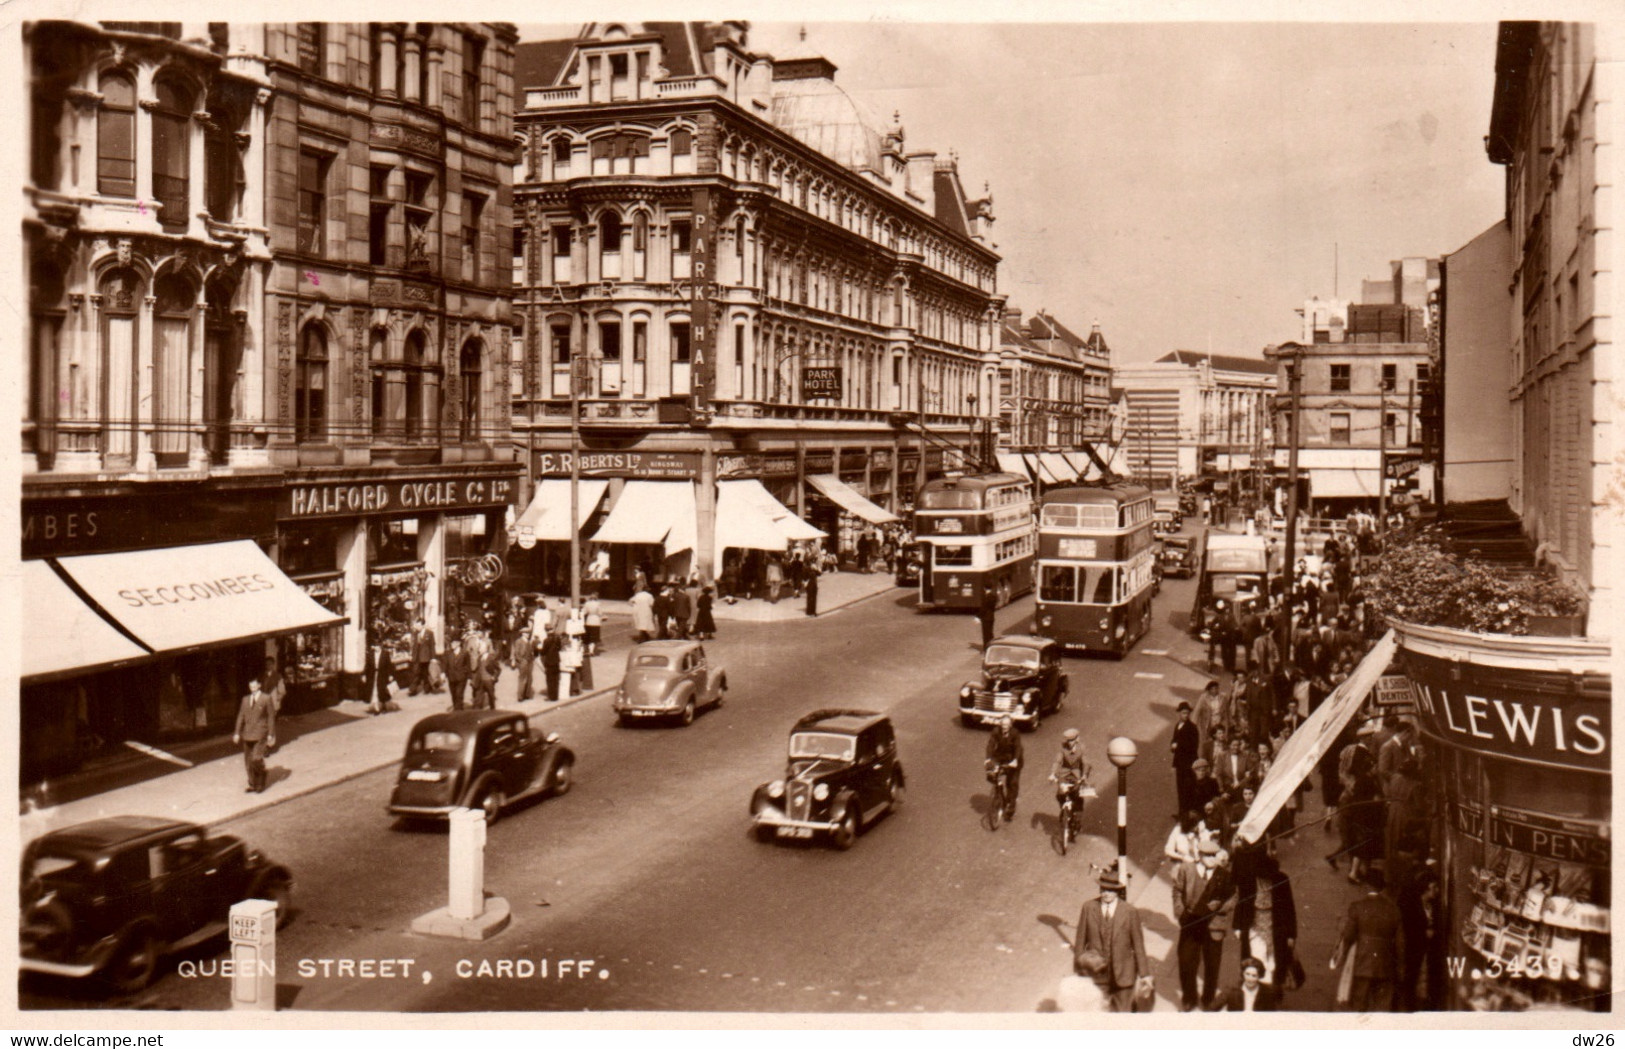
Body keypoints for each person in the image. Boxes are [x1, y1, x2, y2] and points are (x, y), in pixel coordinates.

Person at [1075, 870, 1153, 1012]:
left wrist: (1144, 974)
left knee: (1123, 1014)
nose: (1106, 893)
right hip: (1097, 974)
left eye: (1110, 890)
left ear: (1117, 891)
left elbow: (1138, 945)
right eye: (1103, 889)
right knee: (1098, 1014)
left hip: (1124, 974)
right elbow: (1080, 942)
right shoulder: (1088, 908)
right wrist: (1079, 970)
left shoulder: (1129, 911)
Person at [1173, 839, 1235, 1012]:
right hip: (1191, 922)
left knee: (1212, 965)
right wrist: (1179, 912)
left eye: (1214, 855)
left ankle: (1208, 998)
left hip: (1214, 926)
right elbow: (1177, 891)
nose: (1212, 859)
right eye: (1208, 855)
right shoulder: (1186, 870)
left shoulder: (1223, 874)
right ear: (1199, 855)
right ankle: (1189, 997)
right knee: (1186, 961)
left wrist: (1220, 906)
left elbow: (1233, 898)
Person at [1332, 869, 1402, 1013]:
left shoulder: (1357, 907)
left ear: (1366, 886)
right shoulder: (1393, 909)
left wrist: (1342, 955)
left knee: (1359, 1004)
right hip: (1385, 963)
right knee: (1383, 1006)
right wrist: (1400, 965)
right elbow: (1401, 942)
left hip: (1362, 963)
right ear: (1381, 887)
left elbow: (1348, 936)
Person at [1234, 849, 1298, 994]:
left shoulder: (1281, 880)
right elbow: (1241, 903)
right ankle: (1260, 992)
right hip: (1254, 926)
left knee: (1274, 962)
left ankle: (1273, 989)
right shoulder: (1248, 880)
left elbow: (1289, 907)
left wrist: (1291, 934)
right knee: (1257, 959)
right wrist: (1237, 926)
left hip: (1275, 927)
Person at [1397, 867, 1442, 1012]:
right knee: (1411, 976)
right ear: (1425, 889)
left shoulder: (1435, 905)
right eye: (1433, 887)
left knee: (1430, 978)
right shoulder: (1412, 905)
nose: (1437, 890)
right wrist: (1425, 933)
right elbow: (1408, 927)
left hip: (1430, 950)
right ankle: (1410, 1007)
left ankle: (1428, 1005)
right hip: (1415, 947)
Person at [233, 678, 276, 794]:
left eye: (254, 684)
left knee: (256, 759)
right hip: (247, 734)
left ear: (259, 685)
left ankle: (261, 780)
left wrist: (270, 733)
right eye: (250, 684)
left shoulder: (266, 698)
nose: (252, 686)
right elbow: (240, 716)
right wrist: (237, 732)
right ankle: (252, 783)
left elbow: (271, 717)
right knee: (248, 761)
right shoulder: (245, 699)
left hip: (260, 733)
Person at [1049, 728, 1091, 838]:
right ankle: (1064, 809)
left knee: (1077, 798)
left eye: (1072, 740)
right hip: (1064, 773)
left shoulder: (1082, 748)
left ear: (1077, 739)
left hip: (1077, 774)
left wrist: (1084, 775)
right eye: (1068, 740)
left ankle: (1077, 821)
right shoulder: (1062, 748)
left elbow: (1086, 763)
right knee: (1060, 794)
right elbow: (1057, 761)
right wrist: (1053, 773)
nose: (1070, 743)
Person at [985, 715, 1023, 821]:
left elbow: (1017, 747)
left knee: (1012, 784)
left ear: (1010, 725)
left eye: (1007, 725)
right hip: (1001, 757)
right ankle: (999, 792)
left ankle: (1011, 807)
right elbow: (990, 745)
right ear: (1000, 724)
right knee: (991, 774)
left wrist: (1015, 760)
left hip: (1013, 759)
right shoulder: (996, 731)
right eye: (1003, 724)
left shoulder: (1015, 733)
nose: (1004, 727)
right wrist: (988, 759)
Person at [1212, 956, 1278, 1012]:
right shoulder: (1231, 990)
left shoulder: (1267, 992)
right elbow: (1211, 1009)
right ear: (1243, 974)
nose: (1250, 979)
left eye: (1254, 975)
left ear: (1259, 976)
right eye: (1247, 974)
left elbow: (1272, 1016)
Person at [1171, 701, 1201, 818]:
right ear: (1179, 713)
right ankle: (1181, 812)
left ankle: (1187, 813)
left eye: (1187, 713)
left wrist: (1178, 746)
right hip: (1180, 763)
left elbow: (1193, 746)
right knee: (1180, 788)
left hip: (1189, 763)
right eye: (1183, 713)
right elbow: (1174, 740)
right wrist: (1173, 745)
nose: (1185, 715)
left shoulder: (1192, 728)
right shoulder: (1178, 725)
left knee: (1188, 788)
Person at [444, 632, 470, 711]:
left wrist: (464, 674)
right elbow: (446, 665)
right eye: (451, 643)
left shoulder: (464, 653)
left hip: (461, 678)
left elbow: (467, 665)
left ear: (458, 643)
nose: (452, 644)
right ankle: (456, 709)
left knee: (459, 695)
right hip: (451, 678)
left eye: (453, 643)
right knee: (453, 695)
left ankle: (459, 711)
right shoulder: (448, 653)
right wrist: (445, 674)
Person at [410, 620, 437, 695]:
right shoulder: (415, 633)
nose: (417, 627)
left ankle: (427, 688)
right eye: (416, 626)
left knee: (425, 674)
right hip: (417, 657)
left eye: (418, 626)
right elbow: (413, 645)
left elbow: (432, 645)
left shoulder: (430, 633)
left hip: (426, 657)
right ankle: (413, 690)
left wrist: (433, 658)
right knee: (416, 673)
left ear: (423, 625)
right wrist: (412, 655)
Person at [540, 627, 563, 703]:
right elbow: (559, 648)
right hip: (556, 661)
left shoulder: (546, 640)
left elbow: (543, 652)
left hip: (549, 662)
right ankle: (555, 696)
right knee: (555, 679)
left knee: (549, 680)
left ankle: (550, 696)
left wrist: (539, 649)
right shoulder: (557, 639)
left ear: (547, 632)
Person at [513, 626, 535, 702]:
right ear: (522, 634)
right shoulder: (518, 641)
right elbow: (516, 653)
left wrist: (532, 658)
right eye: (526, 633)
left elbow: (531, 651)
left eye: (528, 633)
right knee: (522, 678)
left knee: (530, 678)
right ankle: (520, 696)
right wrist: (521, 660)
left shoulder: (529, 642)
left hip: (530, 661)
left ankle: (527, 694)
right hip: (523, 661)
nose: (527, 634)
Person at [582, 591, 603, 656]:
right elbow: (600, 613)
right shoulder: (598, 604)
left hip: (589, 620)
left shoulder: (587, 603)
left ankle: (585, 650)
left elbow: (584, 612)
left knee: (588, 637)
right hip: (596, 621)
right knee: (594, 638)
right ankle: (591, 651)